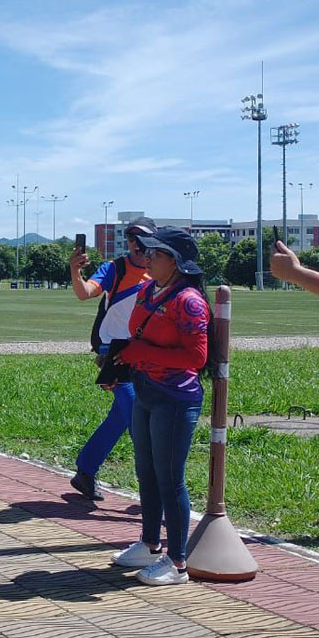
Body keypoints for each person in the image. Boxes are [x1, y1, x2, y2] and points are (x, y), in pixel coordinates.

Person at [109, 227, 209, 586]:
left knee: (169, 478)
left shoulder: (189, 301)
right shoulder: (148, 291)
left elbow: (196, 358)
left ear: (175, 261)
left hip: (174, 399)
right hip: (145, 391)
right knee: (146, 472)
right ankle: (150, 543)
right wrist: (120, 362)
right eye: (146, 252)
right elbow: (138, 337)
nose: (146, 258)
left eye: (155, 253)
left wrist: (141, 353)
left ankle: (178, 562)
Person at [66, 217, 156, 500]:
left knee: (120, 417)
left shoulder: (159, 271)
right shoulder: (114, 268)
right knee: (137, 417)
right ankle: (155, 488)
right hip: (113, 353)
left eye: (141, 239)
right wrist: (75, 271)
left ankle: (85, 470)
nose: (136, 245)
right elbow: (85, 293)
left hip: (143, 352)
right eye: (131, 239)